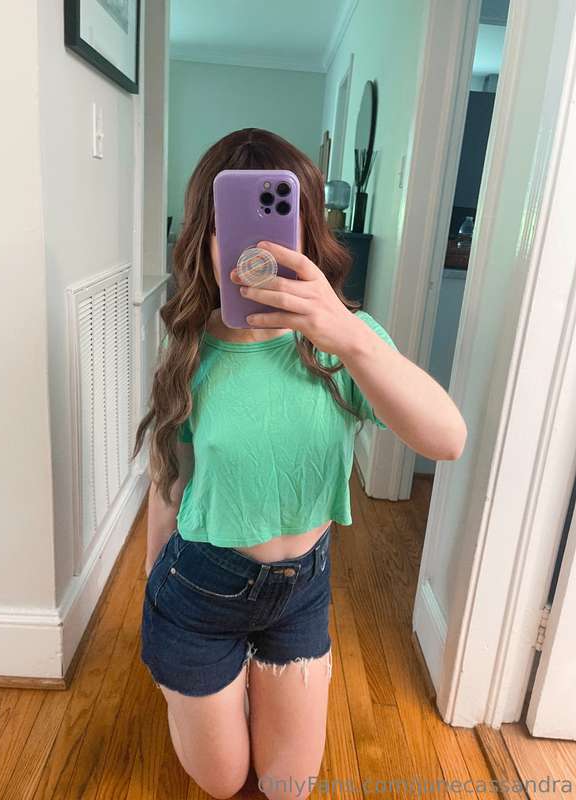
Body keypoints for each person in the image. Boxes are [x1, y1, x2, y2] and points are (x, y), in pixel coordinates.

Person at [131, 128, 467, 800]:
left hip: (299, 592)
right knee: (224, 781)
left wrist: (350, 337)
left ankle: (241, 685)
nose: (258, 251)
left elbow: (448, 439)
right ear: (205, 239)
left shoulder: (343, 344)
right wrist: (152, 583)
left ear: (308, 238)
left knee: (286, 786)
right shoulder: (189, 350)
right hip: (199, 586)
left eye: (279, 229)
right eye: (232, 227)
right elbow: (170, 477)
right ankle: (198, 681)